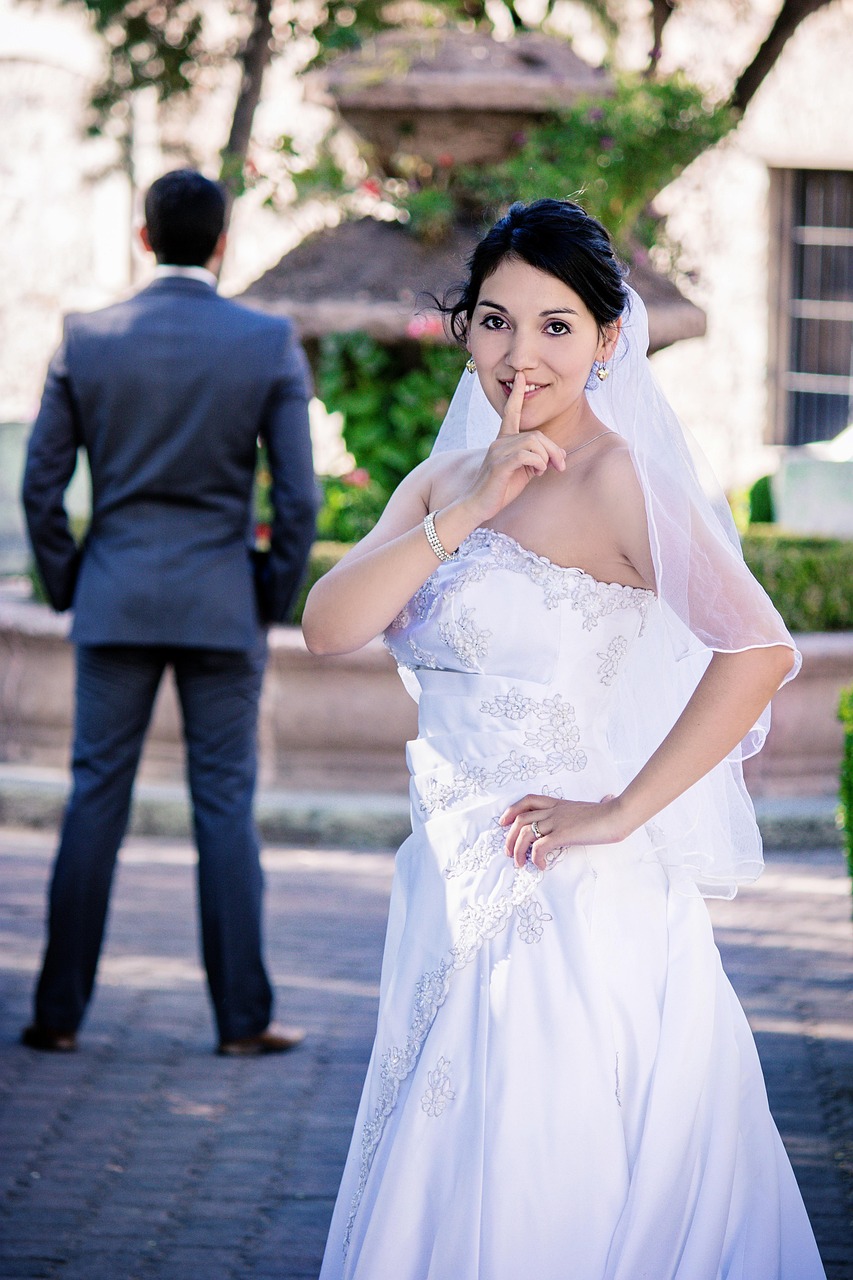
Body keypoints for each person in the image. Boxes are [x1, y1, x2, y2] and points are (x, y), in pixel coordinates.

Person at [303, 200, 826, 1278]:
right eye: (494, 321)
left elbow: (759, 651)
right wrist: (473, 504)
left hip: (563, 889)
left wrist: (623, 808)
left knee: (544, 1172)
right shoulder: (446, 479)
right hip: (446, 879)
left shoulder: (622, 480)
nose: (518, 354)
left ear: (605, 337)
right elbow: (329, 627)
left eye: (554, 325)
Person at [21, 169, 319, 1057]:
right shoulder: (265, 341)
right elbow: (298, 499)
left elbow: (42, 485)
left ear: (143, 240)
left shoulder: (87, 336)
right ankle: (240, 1022)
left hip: (112, 597)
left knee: (93, 799)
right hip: (222, 605)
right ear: (222, 243)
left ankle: (57, 1017)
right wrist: (266, 595)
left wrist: (71, 582)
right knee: (224, 807)